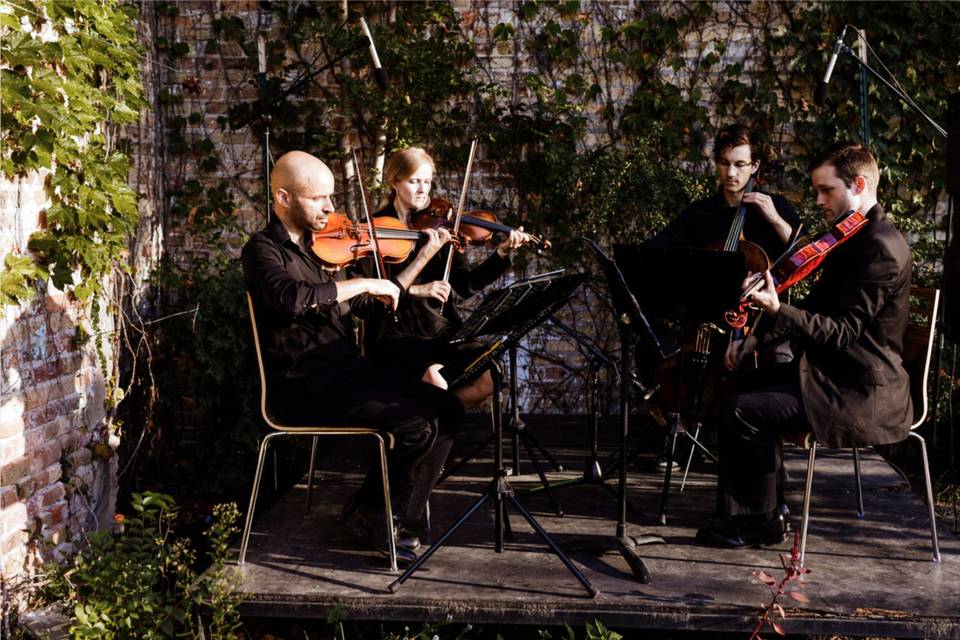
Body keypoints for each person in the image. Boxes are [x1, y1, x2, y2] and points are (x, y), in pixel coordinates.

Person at [241, 150, 465, 565]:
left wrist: (394, 283)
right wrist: (361, 281)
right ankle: (375, 513)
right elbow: (294, 300)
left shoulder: (324, 249)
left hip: (349, 371)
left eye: (330, 197)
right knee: (415, 424)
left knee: (448, 408)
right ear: (284, 198)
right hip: (303, 386)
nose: (330, 207)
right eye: (317, 199)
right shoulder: (262, 252)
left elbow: (365, 306)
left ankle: (391, 516)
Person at [696, 141, 913, 548]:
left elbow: (841, 331)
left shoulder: (880, 247)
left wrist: (777, 311)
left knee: (746, 411)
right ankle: (761, 512)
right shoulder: (849, 236)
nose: (817, 200)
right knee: (739, 386)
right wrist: (750, 341)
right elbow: (813, 309)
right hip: (831, 372)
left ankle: (759, 522)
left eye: (825, 190)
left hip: (858, 388)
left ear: (859, 185)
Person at [363, 147, 533, 408]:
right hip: (395, 333)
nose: (423, 190)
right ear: (394, 182)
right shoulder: (375, 228)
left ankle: (427, 420)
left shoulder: (442, 225)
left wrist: (501, 253)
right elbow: (369, 294)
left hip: (440, 330)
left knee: (491, 377)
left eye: (428, 182)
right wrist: (420, 290)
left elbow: (466, 286)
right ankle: (426, 429)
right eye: (414, 181)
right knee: (436, 381)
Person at [651, 123, 799, 259]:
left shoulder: (777, 206)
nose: (731, 173)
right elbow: (654, 250)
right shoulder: (699, 213)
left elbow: (802, 254)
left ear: (754, 166)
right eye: (724, 163)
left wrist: (775, 219)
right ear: (717, 163)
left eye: (740, 164)